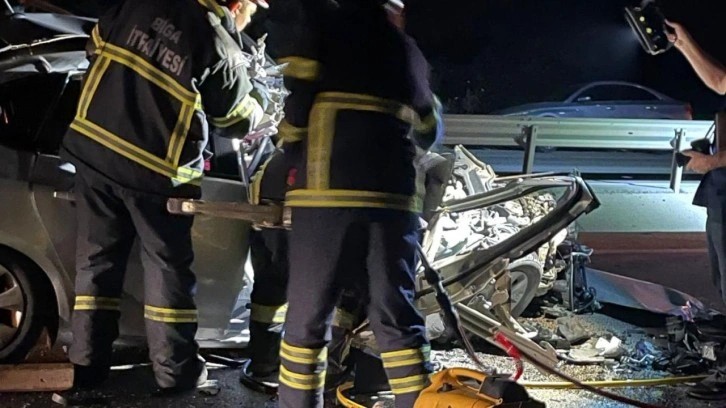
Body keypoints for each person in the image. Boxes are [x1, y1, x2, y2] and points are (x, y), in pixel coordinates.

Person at [61, 0, 269, 393]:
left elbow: (94, 46)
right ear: (237, 4)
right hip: (155, 173)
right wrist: (262, 108)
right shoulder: (215, 39)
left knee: (96, 266)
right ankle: (175, 373)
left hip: (95, 154)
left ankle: (87, 369)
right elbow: (236, 118)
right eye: (250, 13)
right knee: (167, 272)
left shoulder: (137, 4)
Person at [276, 0, 444, 406]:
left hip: (326, 196)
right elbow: (429, 129)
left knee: (307, 320)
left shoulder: (323, 27)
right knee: (396, 317)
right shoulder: (407, 50)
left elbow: (297, 102)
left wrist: (290, 146)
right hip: (393, 204)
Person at [666, 19, 726, 401]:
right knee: (722, 283)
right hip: (721, 191)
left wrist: (712, 161)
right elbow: (720, 81)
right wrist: (682, 41)